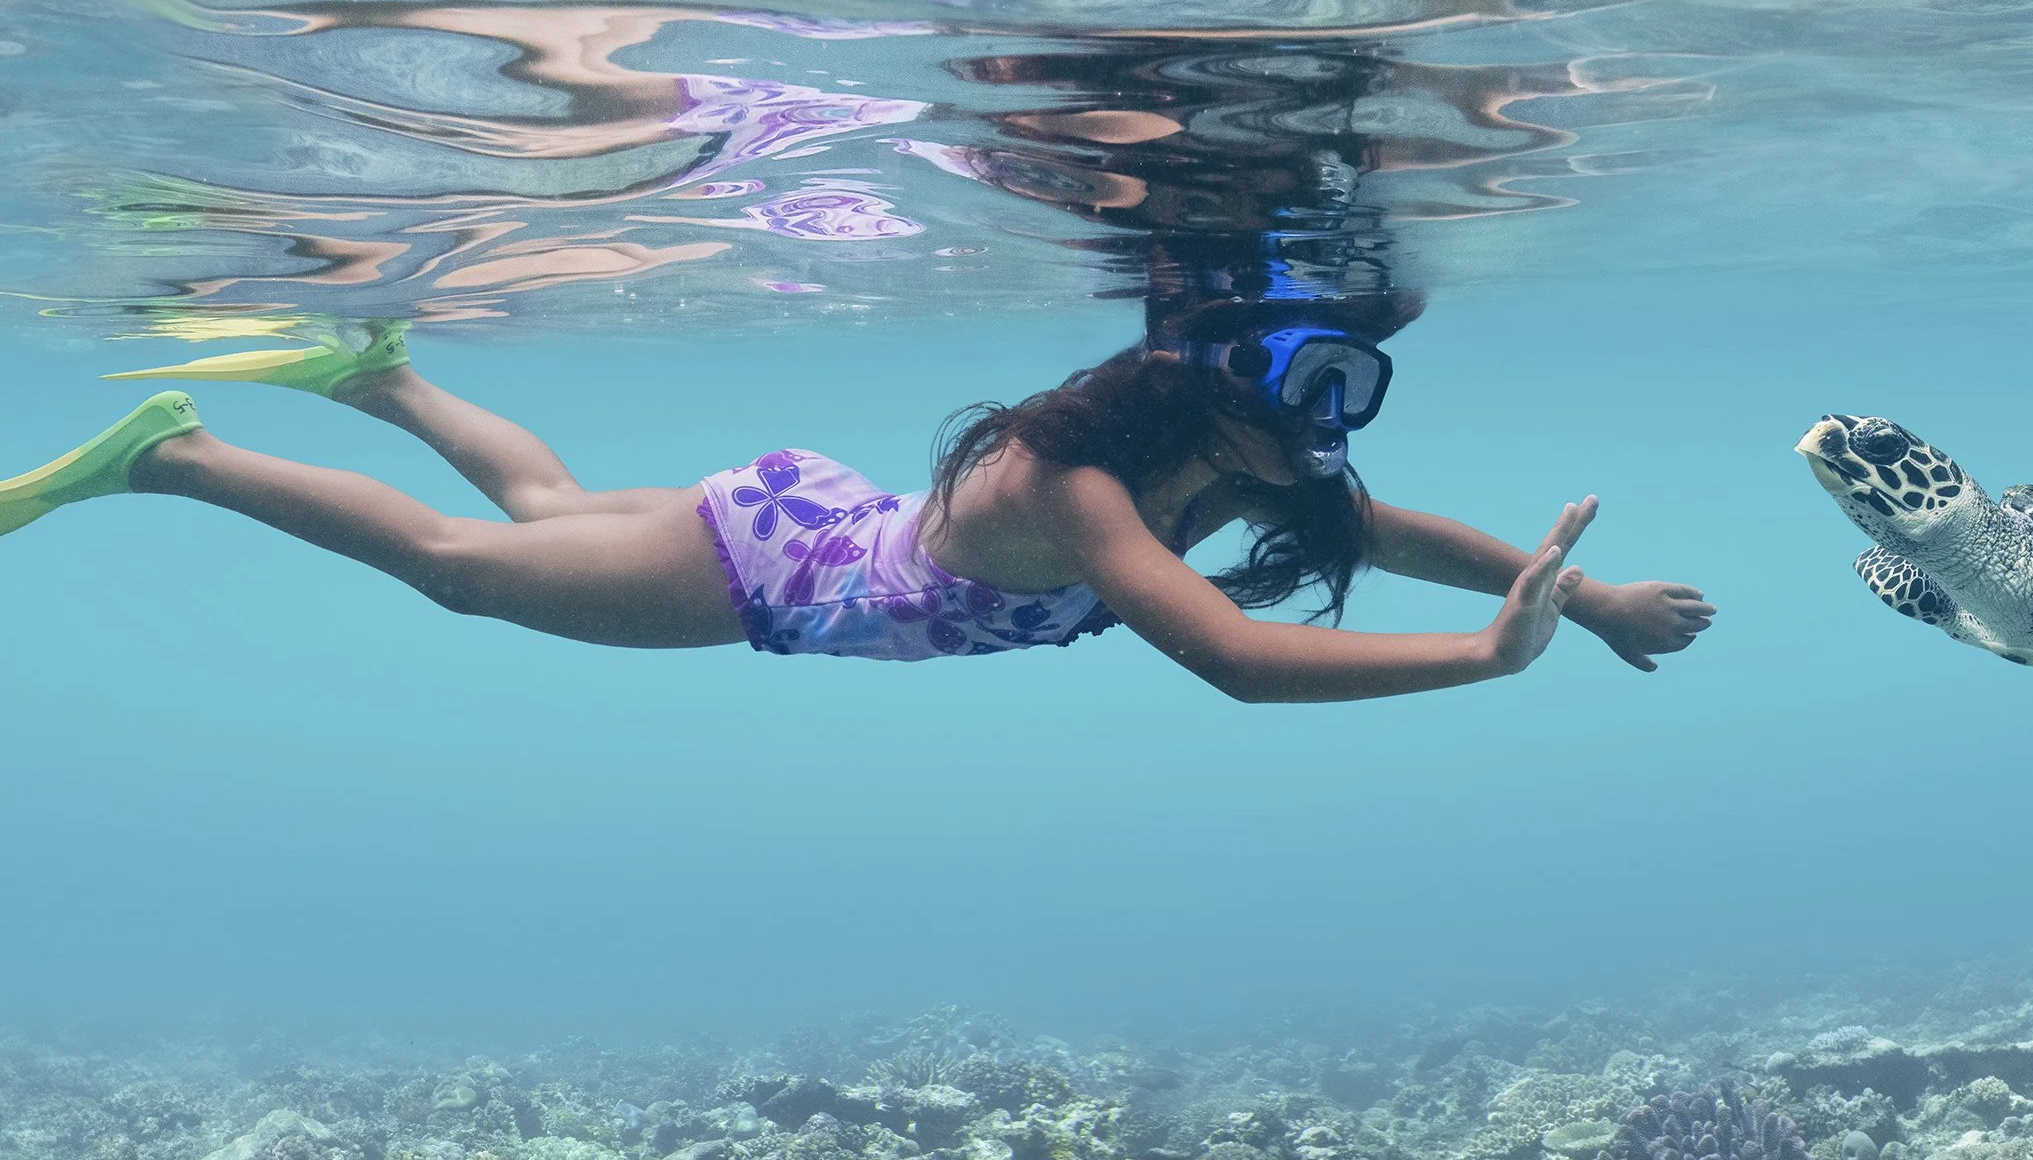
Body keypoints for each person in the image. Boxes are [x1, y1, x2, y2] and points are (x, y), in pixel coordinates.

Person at [0, 308, 1715, 706]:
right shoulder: (1084, 485)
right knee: (467, 566)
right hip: (783, 569)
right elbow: (1231, 660)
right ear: (1217, 400)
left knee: (546, 502)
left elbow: (1400, 532)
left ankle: (379, 372)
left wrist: (1607, 595)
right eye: (1308, 415)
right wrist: (1487, 662)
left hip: (826, 524)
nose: (1328, 452)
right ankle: (171, 459)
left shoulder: (1244, 450)